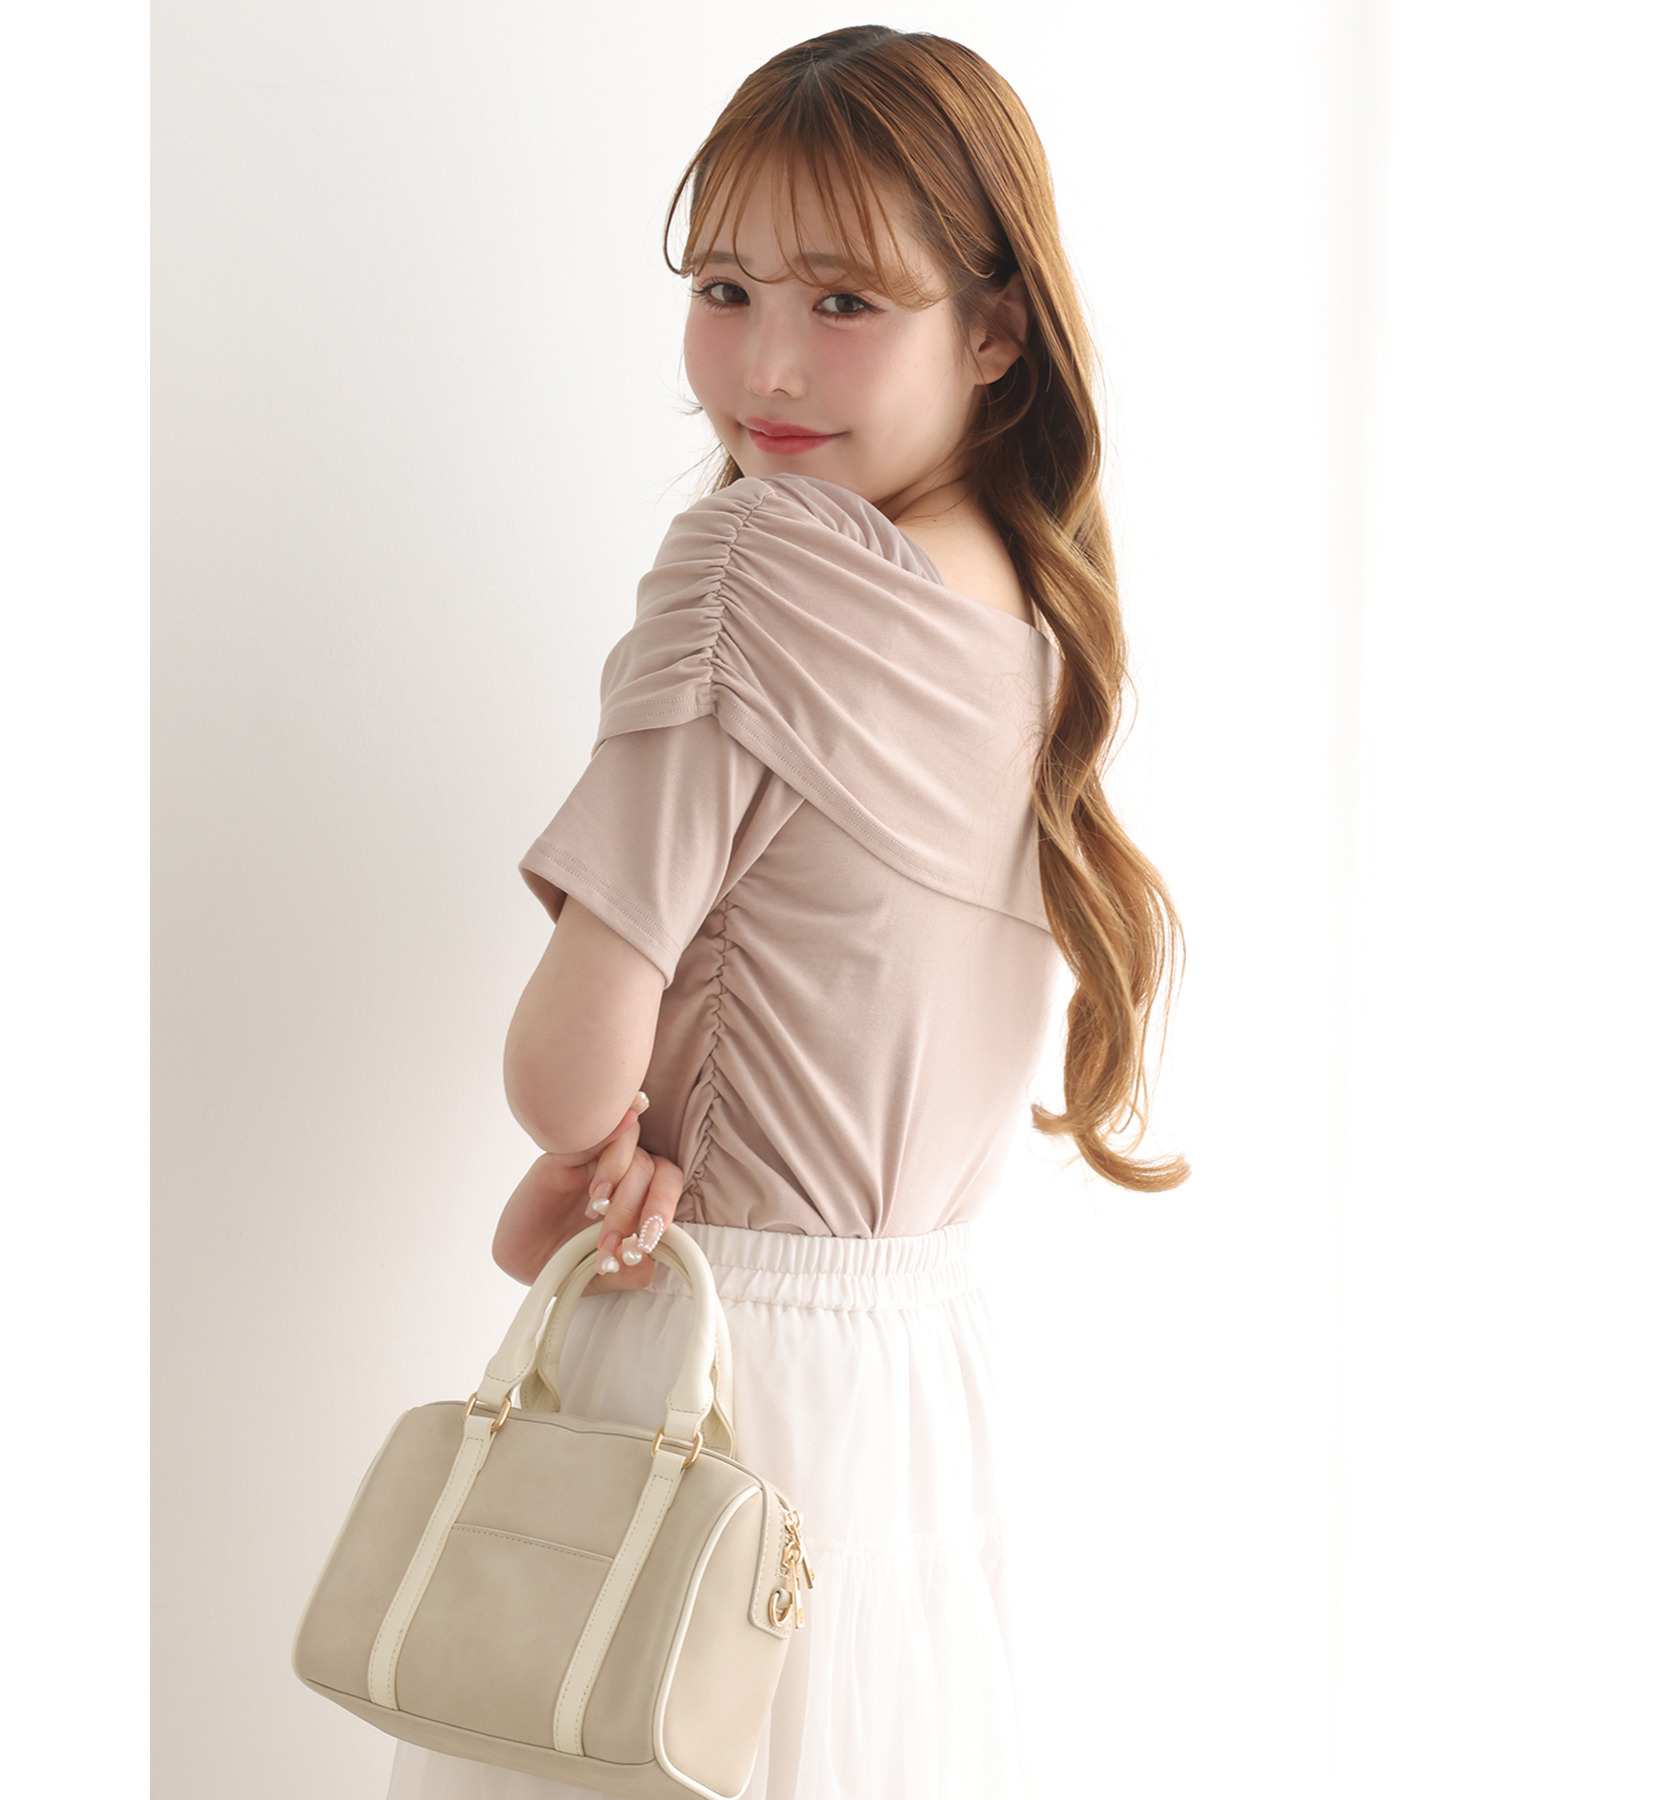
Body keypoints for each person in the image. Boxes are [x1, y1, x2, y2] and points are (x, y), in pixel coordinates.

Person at [387, 24, 1185, 1800]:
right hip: (913, 1392)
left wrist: (579, 1151)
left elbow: (565, 1064)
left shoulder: (759, 560)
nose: (764, 363)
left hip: (706, 1360)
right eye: (725, 287)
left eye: (844, 301)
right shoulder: (1029, 614)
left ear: (996, 328)